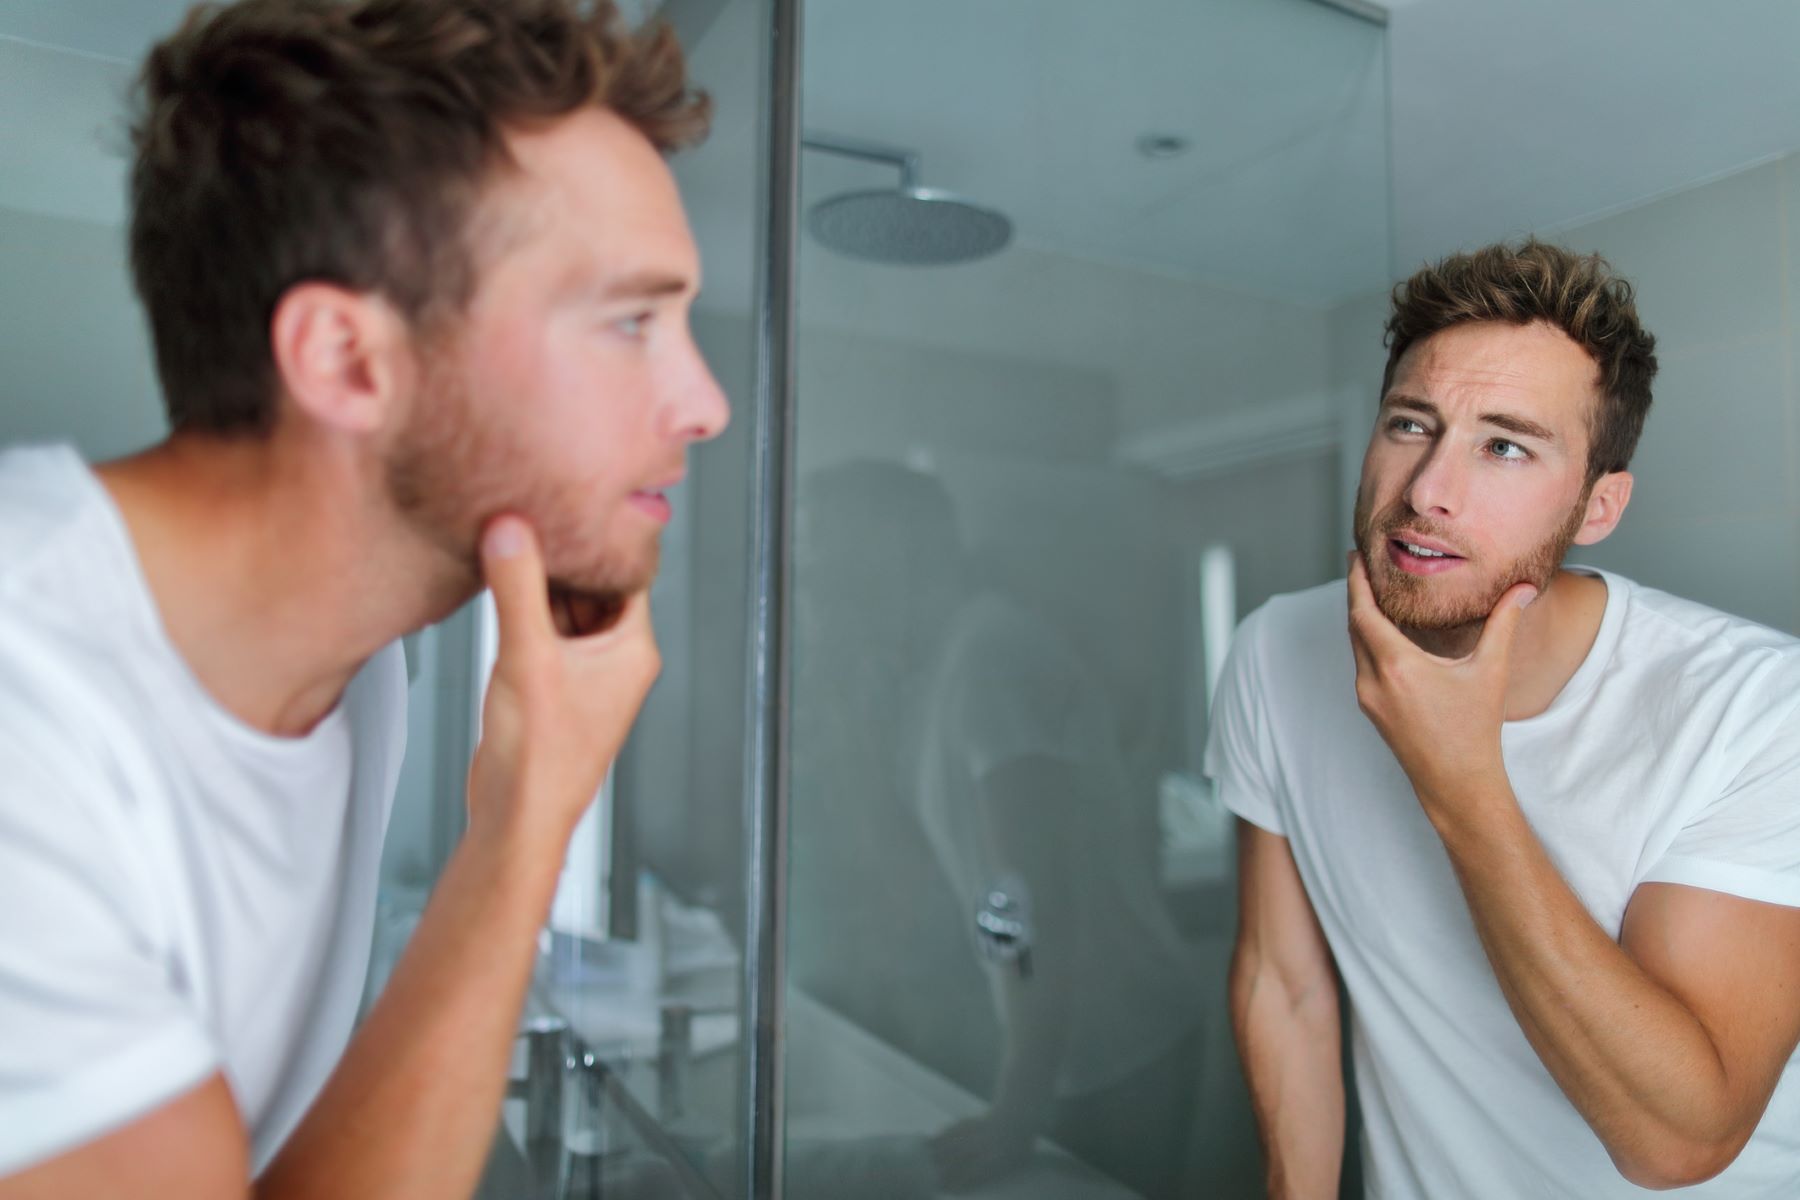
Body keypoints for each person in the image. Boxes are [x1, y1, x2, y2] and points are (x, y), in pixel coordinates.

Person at [0, 1, 728, 1195]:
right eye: (632, 322)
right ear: (346, 361)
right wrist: (527, 821)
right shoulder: (22, 697)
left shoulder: (362, 673)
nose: (704, 404)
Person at [1210, 240, 1800, 1198]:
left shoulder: (1758, 709)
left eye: (1506, 445)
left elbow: (1681, 1142)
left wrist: (1460, 778)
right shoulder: (1275, 654)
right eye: (1411, 424)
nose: (1428, 491)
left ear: (1598, 505)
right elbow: (1287, 985)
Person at [794, 462, 1204, 1198]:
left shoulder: (990, 657)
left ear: (893, 551)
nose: (812, 582)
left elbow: (1024, 895)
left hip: (1117, 1047)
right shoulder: (942, 666)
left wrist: (1018, 1104)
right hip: (1074, 1046)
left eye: (826, 554)